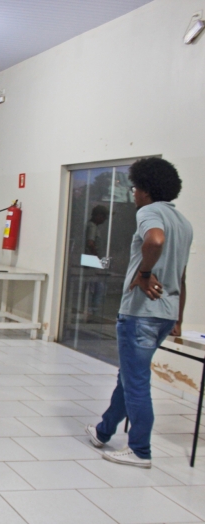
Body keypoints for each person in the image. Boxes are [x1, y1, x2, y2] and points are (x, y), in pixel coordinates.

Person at [87, 158, 193, 469]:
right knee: (128, 377)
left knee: (135, 381)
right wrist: (179, 319)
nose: (133, 194)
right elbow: (181, 276)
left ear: (145, 189)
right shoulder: (183, 222)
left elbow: (154, 241)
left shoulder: (149, 212)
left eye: (134, 188)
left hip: (140, 313)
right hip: (165, 315)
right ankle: (103, 431)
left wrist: (144, 273)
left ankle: (140, 450)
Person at [85, 205, 110, 318]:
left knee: (96, 286)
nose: (105, 219)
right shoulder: (92, 226)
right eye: (104, 217)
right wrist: (98, 259)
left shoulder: (93, 226)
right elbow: (90, 243)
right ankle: (94, 311)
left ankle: (93, 310)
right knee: (97, 286)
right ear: (98, 216)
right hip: (91, 260)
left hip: (92, 260)